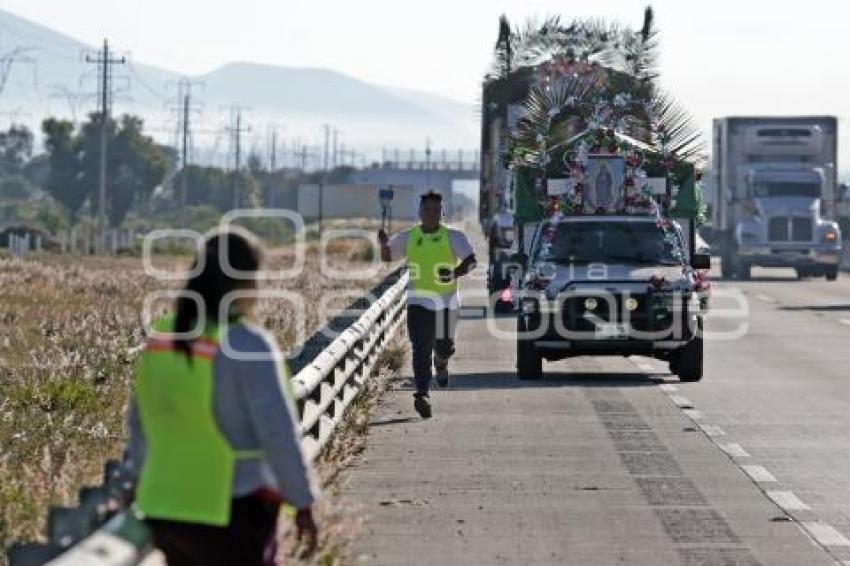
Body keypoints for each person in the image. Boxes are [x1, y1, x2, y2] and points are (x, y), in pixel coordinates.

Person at [124, 226, 320, 566]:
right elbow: (277, 434)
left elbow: (139, 424)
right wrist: (302, 501)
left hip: (165, 510)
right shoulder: (246, 344)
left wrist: (144, 485)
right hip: (231, 510)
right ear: (243, 282)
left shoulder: (162, 338)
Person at [378, 190, 477, 418]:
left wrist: (454, 273)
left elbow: (472, 262)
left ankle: (441, 362)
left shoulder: (454, 236)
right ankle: (422, 393)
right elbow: (387, 257)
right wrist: (384, 246)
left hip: (446, 303)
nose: (431, 214)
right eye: (427, 210)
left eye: (436, 210)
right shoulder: (409, 237)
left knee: (445, 347)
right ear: (420, 212)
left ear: (442, 213)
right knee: (420, 349)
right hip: (418, 303)